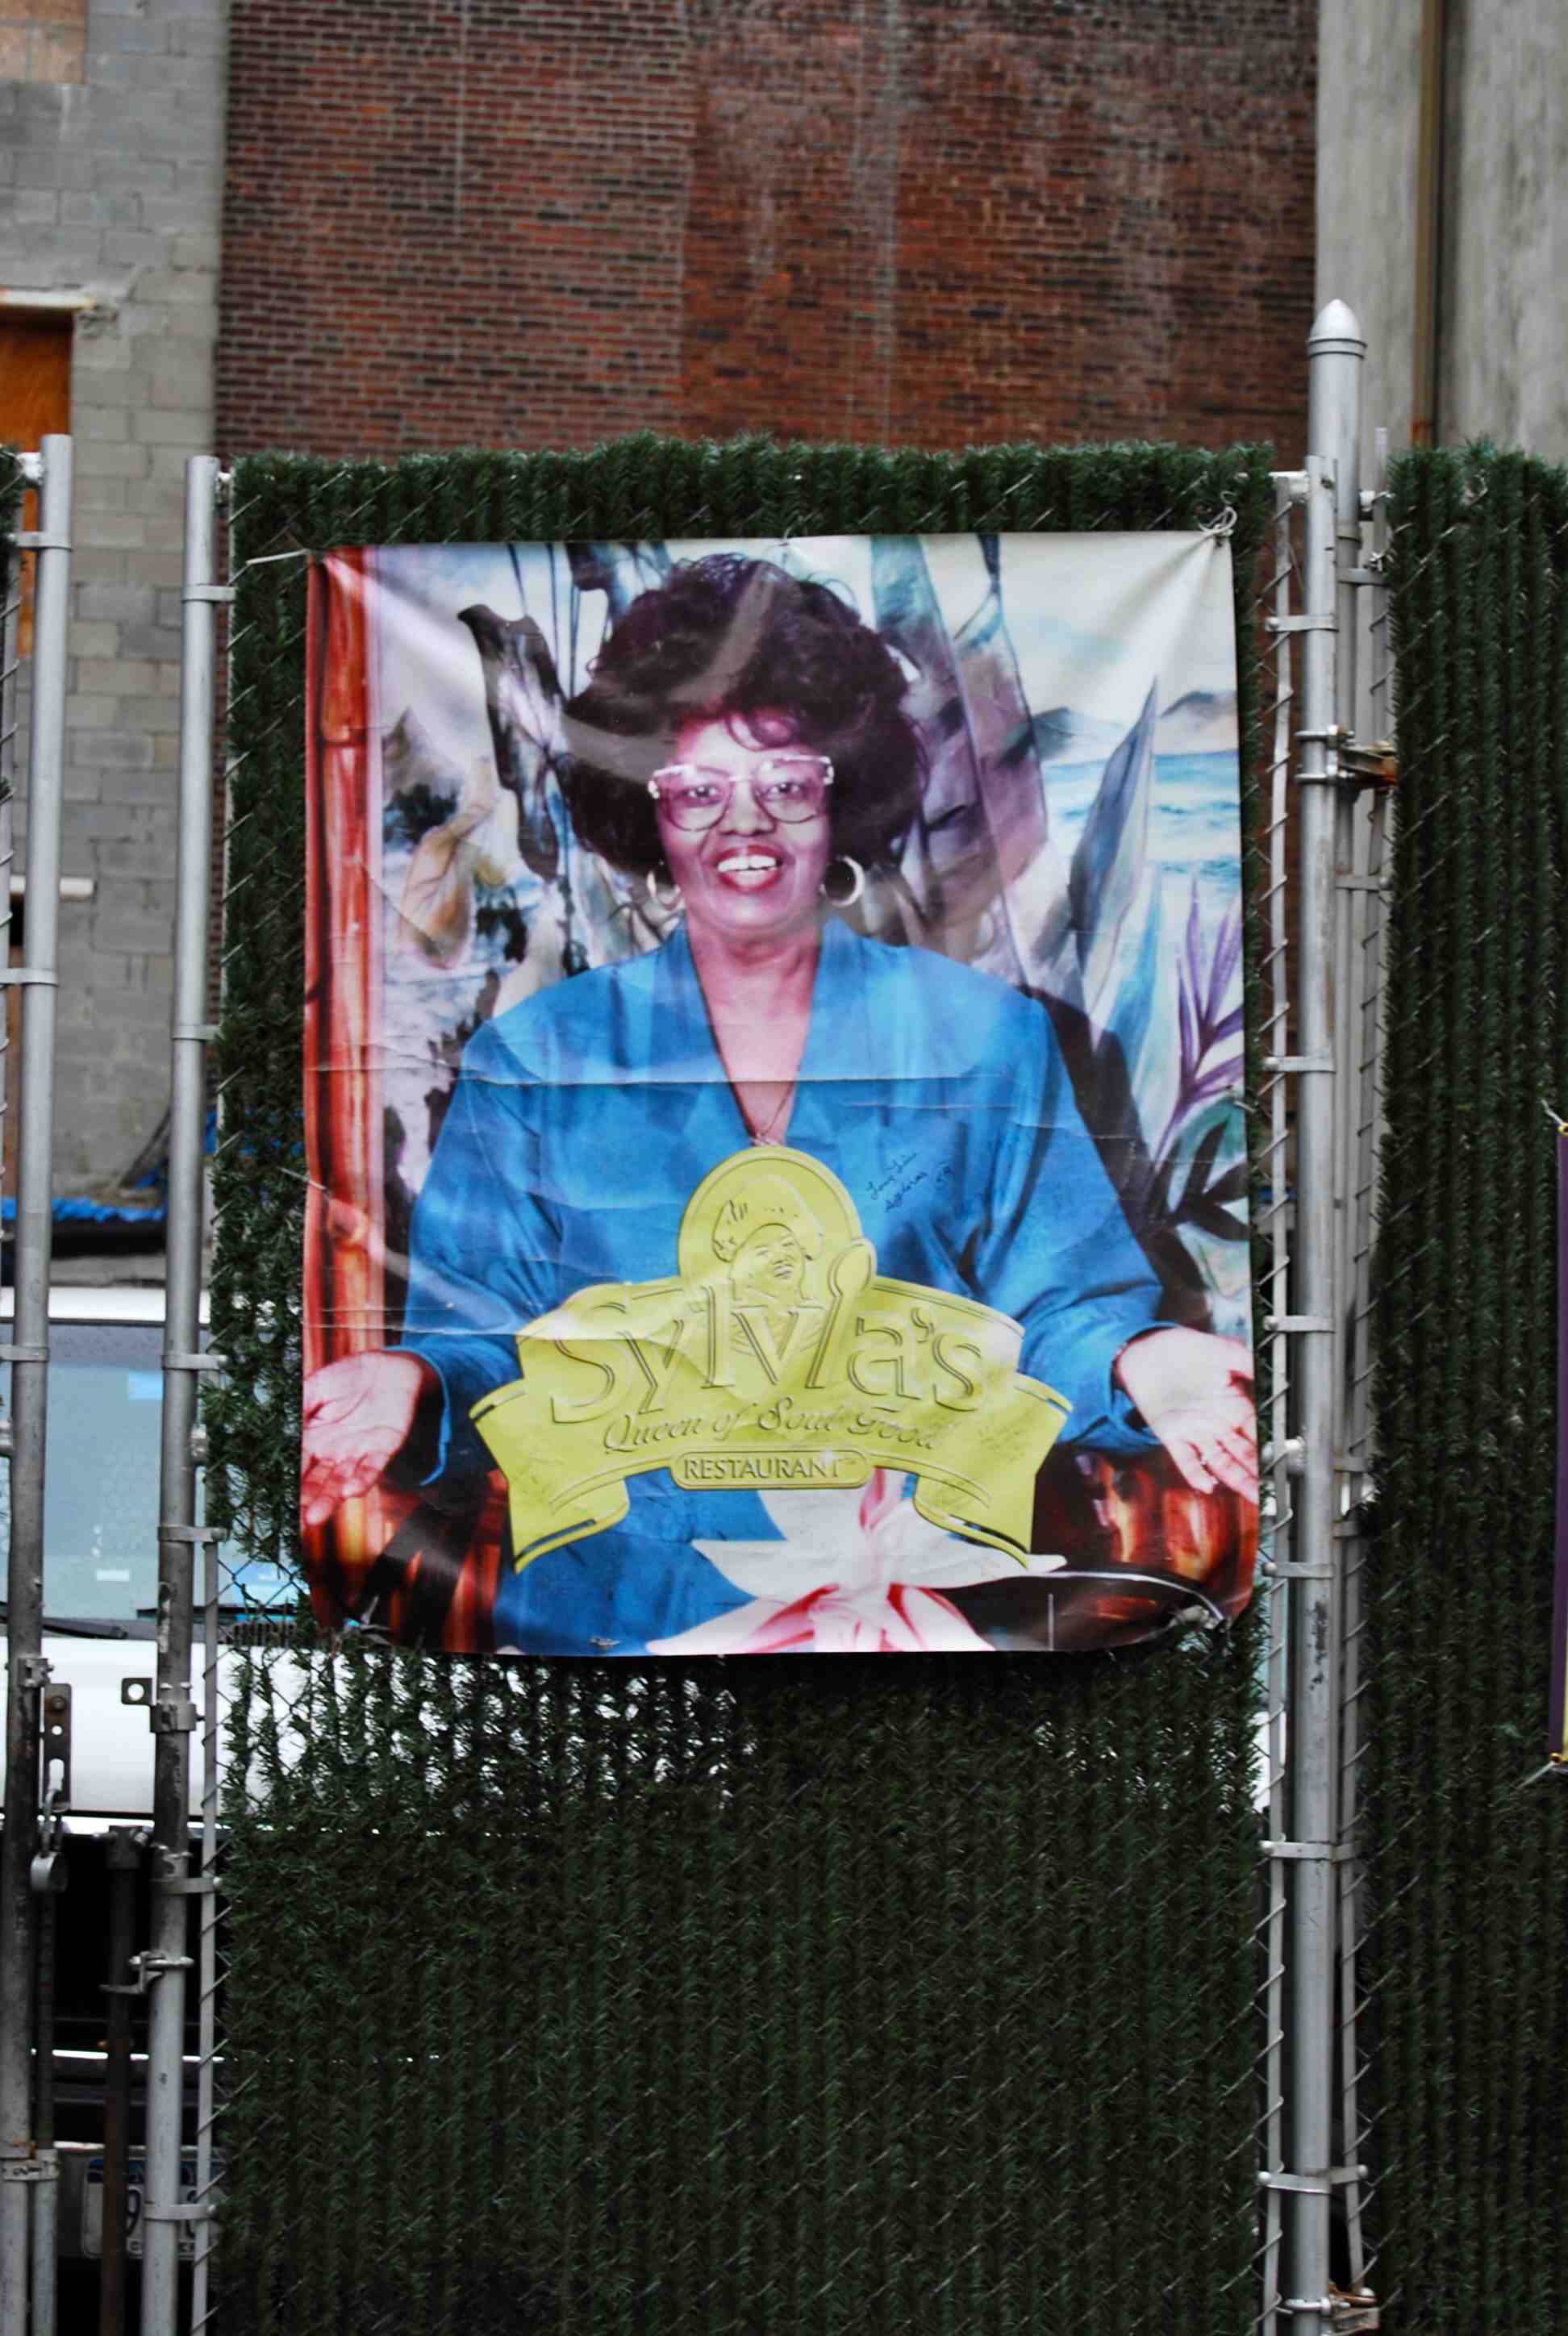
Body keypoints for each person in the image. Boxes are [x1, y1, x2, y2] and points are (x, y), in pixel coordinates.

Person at [302, 553, 1255, 1653]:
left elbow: (1060, 1311)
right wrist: (411, 1377)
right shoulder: (536, 1060)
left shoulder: (986, 1037)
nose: (742, 826)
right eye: (697, 790)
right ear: (648, 812)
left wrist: (1148, 1363)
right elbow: (484, 1340)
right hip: (620, 1634)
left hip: (915, 1629)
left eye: (786, 784)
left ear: (840, 797)